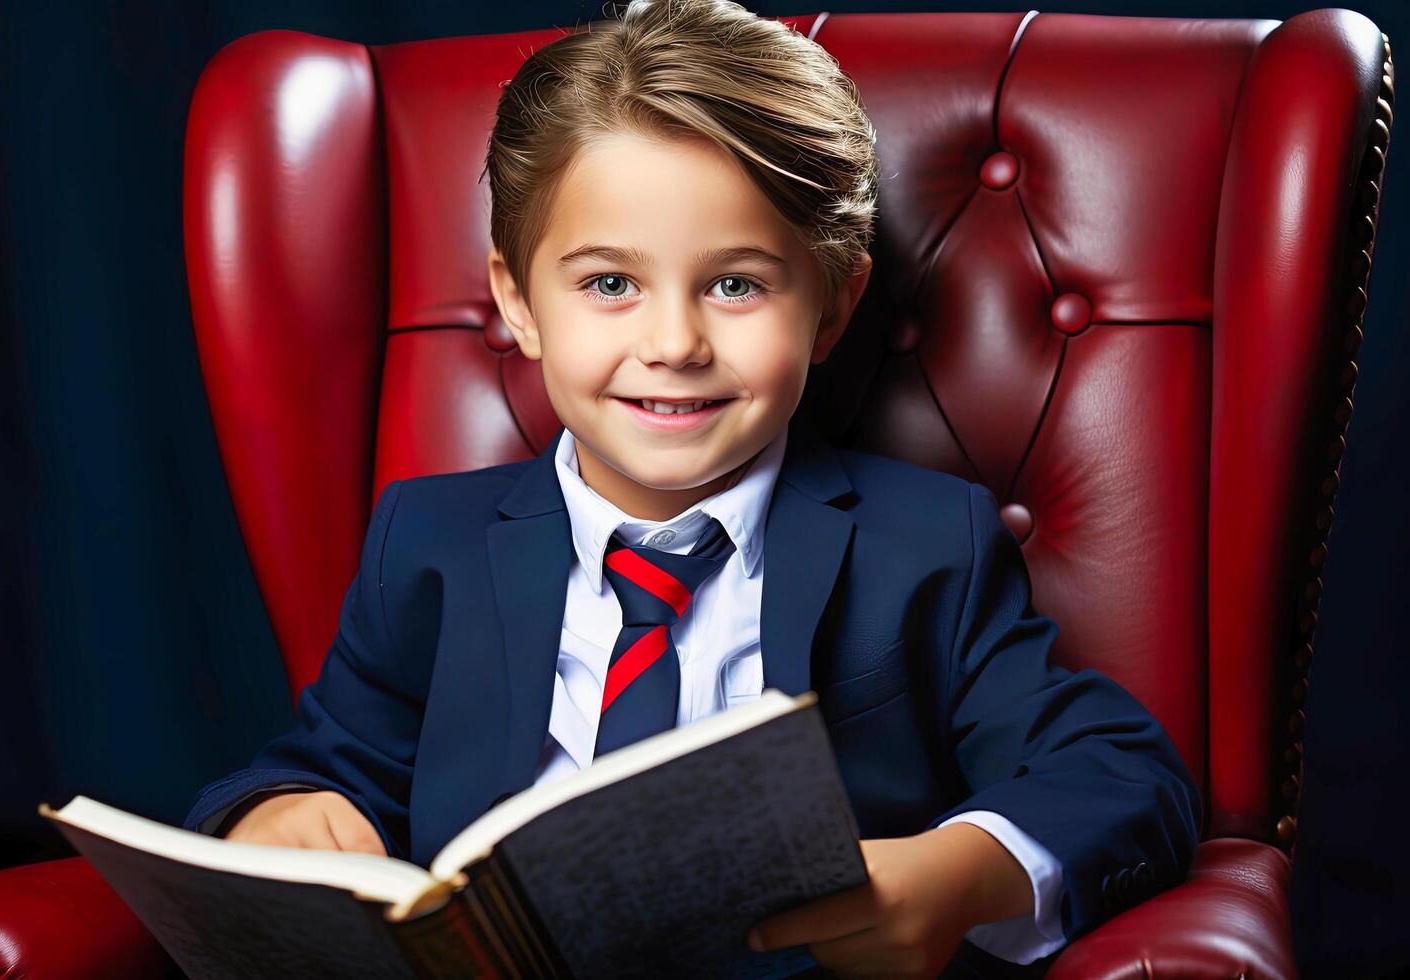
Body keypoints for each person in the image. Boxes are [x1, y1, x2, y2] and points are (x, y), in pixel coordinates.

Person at [184, 1, 1200, 975]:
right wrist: (271, 810)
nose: (673, 345)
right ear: (518, 302)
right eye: (609, 283)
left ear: (833, 305)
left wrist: (956, 872)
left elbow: (1120, 771)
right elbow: (328, 764)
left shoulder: (926, 545)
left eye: (736, 283)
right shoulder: (429, 543)